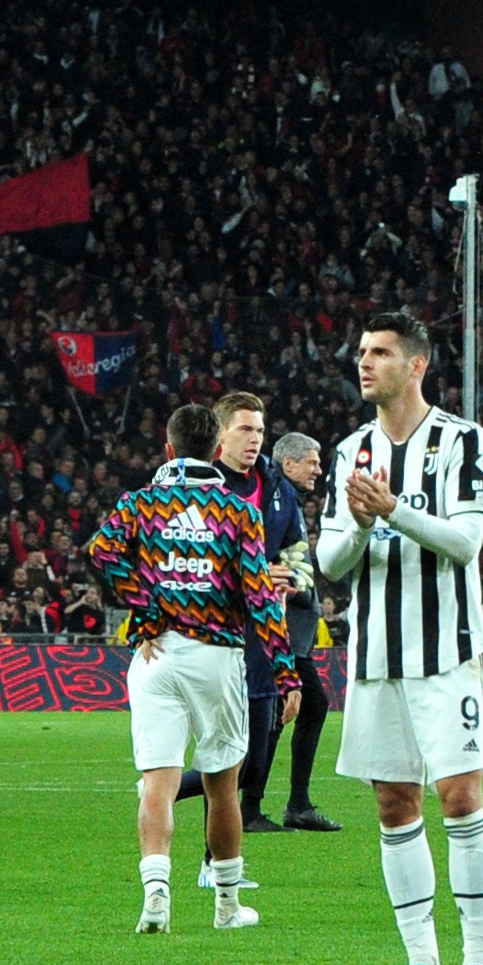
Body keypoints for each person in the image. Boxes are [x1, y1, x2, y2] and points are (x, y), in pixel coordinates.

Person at [316, 310, 483, 965]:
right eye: (361, 351)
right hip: (376, 655)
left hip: (447, 649)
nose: (364, 363)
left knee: (459, 796)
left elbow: (464, 544)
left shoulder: (461, 441)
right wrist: (362, 523)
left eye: (381, 353)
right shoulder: (349, 450)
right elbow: (333, 562)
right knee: (394, 804)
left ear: (417, 364)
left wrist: (391, 510)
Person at [87, 399, 291, 934]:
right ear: (219, 449)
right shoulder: (237, 511)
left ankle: (156, 896)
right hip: (216, 657)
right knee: (224, 785)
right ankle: (226, 907)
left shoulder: (141, 504)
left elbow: (102, 551)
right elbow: (261, 600)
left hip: (156, 655)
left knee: (158, 781)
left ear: (168, 448)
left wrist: (147, 609)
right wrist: (286, 672)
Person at [170, 392, 307, 849]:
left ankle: (165, 788)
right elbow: (187, 561)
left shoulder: (276, 486)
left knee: (253, 761)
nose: (255, 440)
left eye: (261, 431)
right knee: (228, 755)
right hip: (217, 636)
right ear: (220, 433)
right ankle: (214, 865)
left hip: (266, 638)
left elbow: (299, 552)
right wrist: (252, 573)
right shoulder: (201, 489)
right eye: (246, 430)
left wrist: (293, 581)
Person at [267, 433, 340, 830]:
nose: (318, 469)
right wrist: (284, 585)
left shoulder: (286, 498)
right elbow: (269, 554)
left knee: (295, 708)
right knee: (295, 707)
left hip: (294, 628)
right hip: (280, 629)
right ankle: (262, 803)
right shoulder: (274, 496)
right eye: (311, 462)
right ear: (289, 463)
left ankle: (280, 803)